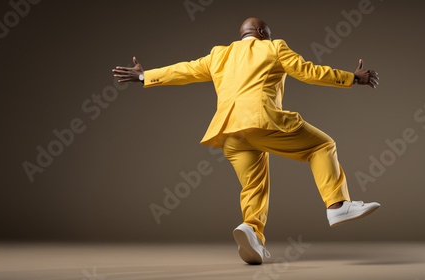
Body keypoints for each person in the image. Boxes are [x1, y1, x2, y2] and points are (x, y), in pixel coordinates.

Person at [112, 17, 380, 265]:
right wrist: (352, 78)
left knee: (254, 185)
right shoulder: (274, 47)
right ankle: (337, 205)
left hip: (229, 132)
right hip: (261, 122)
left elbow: (186, 70)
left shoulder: (219, 54)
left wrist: (144, 75)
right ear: (262, 33)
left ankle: (252, 231)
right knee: (322, 146)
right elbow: (307, 71)